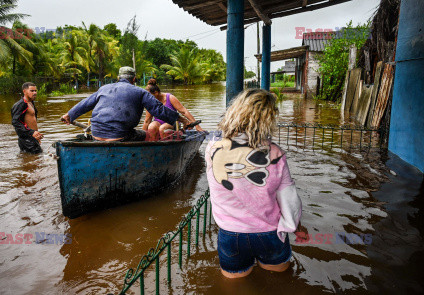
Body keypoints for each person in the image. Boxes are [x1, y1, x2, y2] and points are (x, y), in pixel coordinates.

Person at [205, 88, 307, 278]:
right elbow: (289, 200)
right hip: (270, 233)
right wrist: (296, 227)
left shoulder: (212, 148)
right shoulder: (276, 154)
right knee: (278, 281)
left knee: (234, 287)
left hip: (231, 234)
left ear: (235, 111)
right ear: (269, 119)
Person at [61, 67, 189, 141]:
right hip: (120, 136)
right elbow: (159, 110)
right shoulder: (139, 91)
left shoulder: (104, 88)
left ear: (118, 78)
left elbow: (85, 104)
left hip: (96, 134)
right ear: (134, 79)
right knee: (147, 135)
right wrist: (182, 119)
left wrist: (69, 115)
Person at [11, 82, 43, 154]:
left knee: (34, 160)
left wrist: (36, 135)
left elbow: (31, 120)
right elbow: (15, 122)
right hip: (27, 141)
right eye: (32, 91)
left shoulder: (31, 102)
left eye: (35, 90)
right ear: (24, 91)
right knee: (35, 161)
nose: (34, 93)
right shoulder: (20, 105)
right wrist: (31, 132)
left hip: (32, 138)